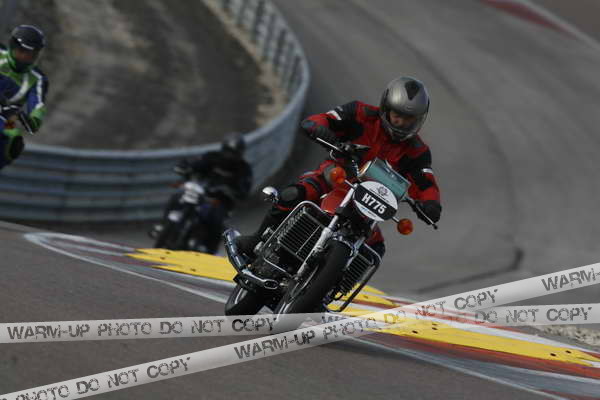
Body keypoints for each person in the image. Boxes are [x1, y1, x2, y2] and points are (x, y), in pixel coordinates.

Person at [235, 76, 442, 260]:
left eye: (409, 119)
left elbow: (426, 183)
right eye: (397, 115)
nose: (401, 122)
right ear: (386, 108)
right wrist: (320, 129)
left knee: (376, 248)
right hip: (334, 177)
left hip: (370, 202)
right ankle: (256, 241)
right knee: (294, 194)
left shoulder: (418, 151)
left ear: (419, 119)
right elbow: (323, 120)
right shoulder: (360, 113)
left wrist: (431, 205)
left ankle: (336, 287)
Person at [151, 133, 253, 253]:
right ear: (223, 148)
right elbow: (197, 164)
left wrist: (231, 190)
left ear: (240, 153)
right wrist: (186, 167)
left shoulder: (243, 169)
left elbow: (244, 190)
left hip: (220, 201)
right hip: (200, 192)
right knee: (177, 197)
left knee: (216, 218)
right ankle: (163, 225)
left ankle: (209, 248)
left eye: (233, 153)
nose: (229, 155)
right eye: (228, 151)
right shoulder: (212, 157)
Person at [0, 25, 49, 169]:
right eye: (22, 52)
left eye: (31, 55)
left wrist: (32, 119)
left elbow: (38, 107)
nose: (25, 58)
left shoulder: (38, 79)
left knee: (14, 140)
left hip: (6, 118)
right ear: (12, 46)